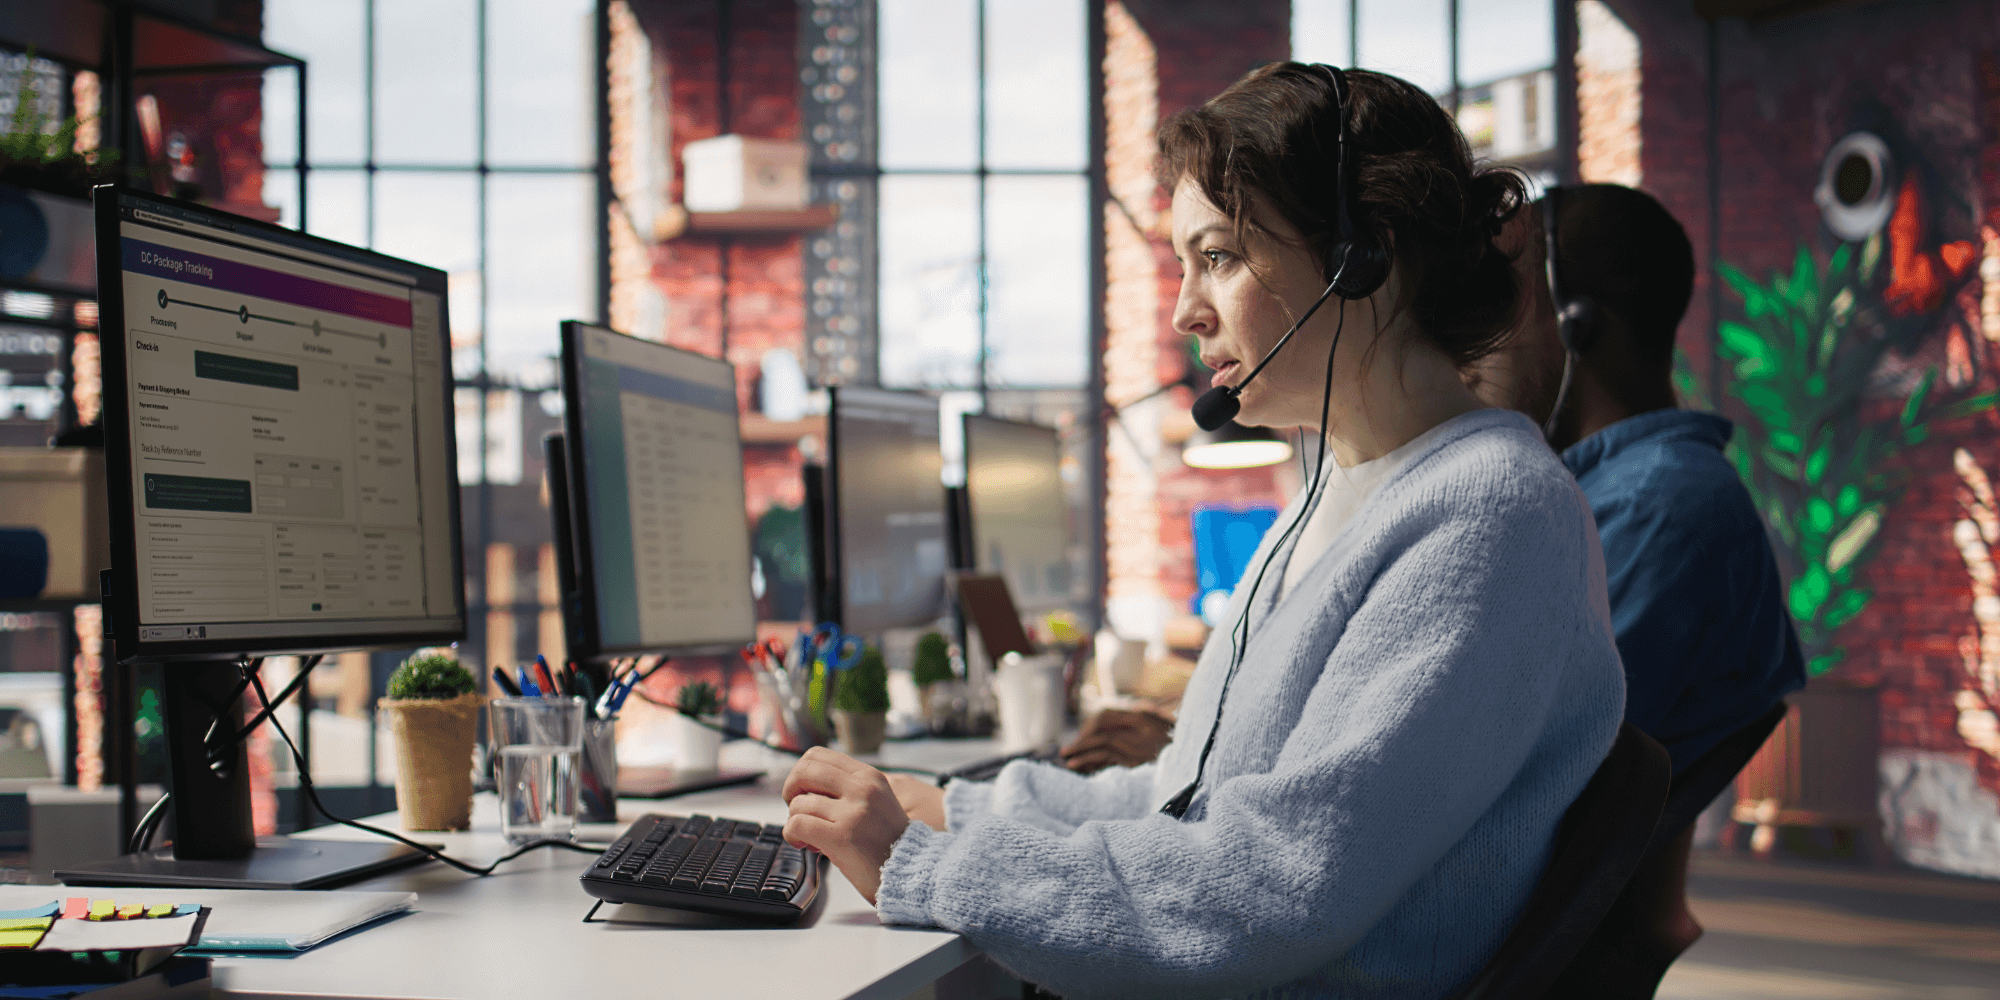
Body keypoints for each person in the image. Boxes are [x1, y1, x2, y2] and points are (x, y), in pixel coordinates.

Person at [781, 63, 1624, 999]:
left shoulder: (1488, 515)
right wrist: (947, 811)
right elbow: (1181, 801)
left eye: (1217, 256)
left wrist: (927, 868)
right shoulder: (1338, 494)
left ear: (1363, 258)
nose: (1185, 309)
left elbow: (1270, 888)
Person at [1461, 182, 1806, 969]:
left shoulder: (1657, 513)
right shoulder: (1613, 496)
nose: (1471, 347)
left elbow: (1518, 769)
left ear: (1575, 325)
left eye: (1492, 311)